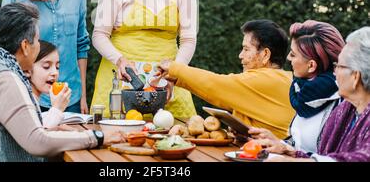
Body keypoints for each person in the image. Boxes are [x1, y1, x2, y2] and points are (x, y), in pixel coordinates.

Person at [0, 3, 124, 162]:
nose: (39, 46)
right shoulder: (3, 78)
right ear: (25, 46)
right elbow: (37, 141)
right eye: (37, 40)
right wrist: (98, 137)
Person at [91, 0, 198, 118]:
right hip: (120, 76)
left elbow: (188, 40)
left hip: (167, 78)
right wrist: (120, 60)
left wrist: (175, 72)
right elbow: (99, 35)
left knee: (174, 138)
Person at [159, 19, 295, 139]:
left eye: (246, 49)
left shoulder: (268, 79)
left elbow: (216, 85)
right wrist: (177, 79)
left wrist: (174, 68)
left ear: (265, 54)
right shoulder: (279, 78)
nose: (240, 55)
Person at [2, 0, 90, 114]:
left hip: (70, 97)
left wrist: (82, 95)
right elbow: (7, 56)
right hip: (30, 98)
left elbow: (81, 45)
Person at [256, 26, 370, 162]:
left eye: (339, 66)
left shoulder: (339, 105)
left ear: (355, 76)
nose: (334, 72)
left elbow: (363, 158)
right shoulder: (346, 110)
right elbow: (325, 156)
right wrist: (287, 149)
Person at [249, 20, 344, 154]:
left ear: (311, 66)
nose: (288, 57)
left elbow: (335, 157)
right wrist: (278, 142)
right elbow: (300, 147)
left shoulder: (343, 103)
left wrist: (288, 150)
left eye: (293, 54)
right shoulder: (304, 92)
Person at [26, 40, 71, 128]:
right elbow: (38, 135)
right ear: (28, 69)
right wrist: (57, 108)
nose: (55, 72)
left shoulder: (32, 99)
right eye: (46, 66)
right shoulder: (24, 100)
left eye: (57, 67)